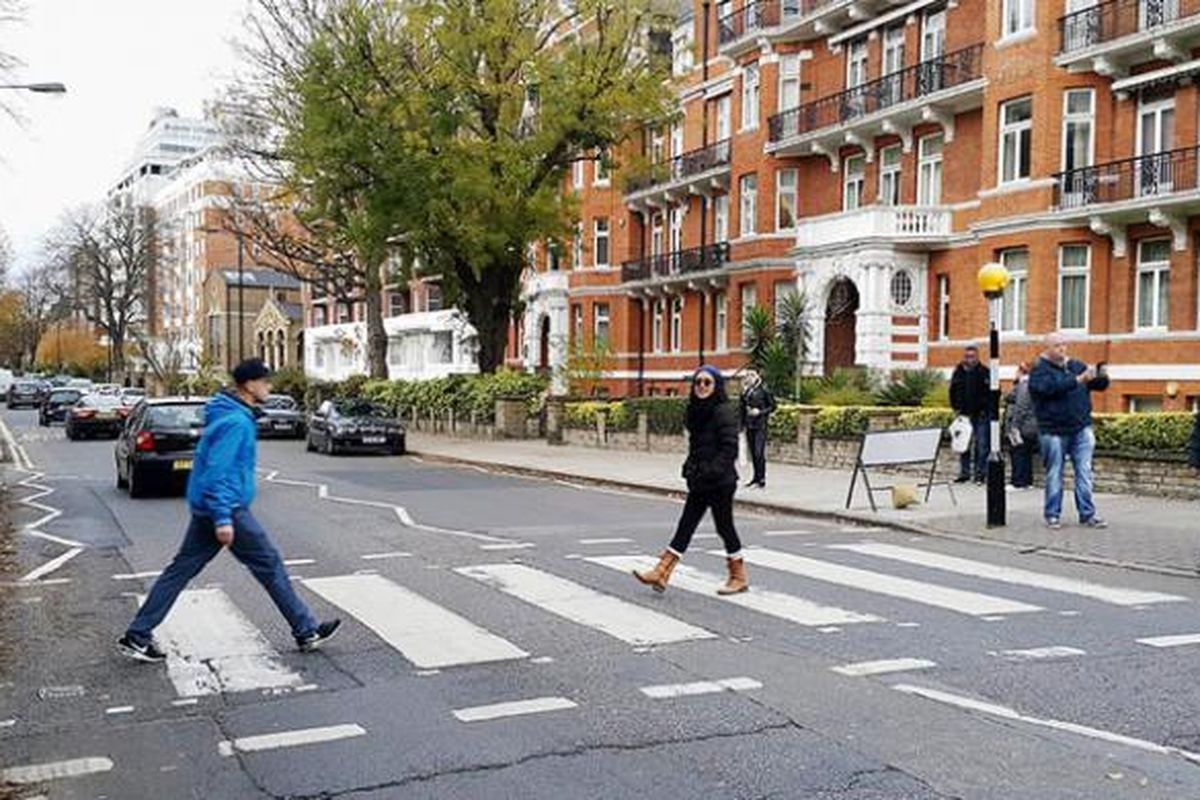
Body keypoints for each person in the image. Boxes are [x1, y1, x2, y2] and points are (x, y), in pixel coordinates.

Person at [117, 359, 341, 663]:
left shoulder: (229, 414)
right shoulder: (236, 422)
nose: (269, 387)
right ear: (249, 386)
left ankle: (138, 635)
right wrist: (223, 517)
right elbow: (217, 473)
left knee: (180, 570)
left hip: (210, 507)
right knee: (269, 563)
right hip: (227, 508)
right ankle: (305, 629)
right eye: (265, 382)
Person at [633, 365, 748, 595]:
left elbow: (729, 449)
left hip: (720, 481)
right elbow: (697, 447)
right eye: (698, 383)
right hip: (701, 480)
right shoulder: (696, 411)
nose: (702, 387)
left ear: (716, 386)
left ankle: (738, 576)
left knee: (724, 527)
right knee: (686, 524)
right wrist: (690, 468)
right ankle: (662, 572)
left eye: (707, 383)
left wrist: (711, 471)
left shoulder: (723, 411)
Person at [1028, 333, 1109, 530]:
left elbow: (1095, 385)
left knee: (1085, 472)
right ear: (1047, 348)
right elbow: (1048, 389)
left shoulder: (1075, 365)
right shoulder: (1039, 370)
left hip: (1080, 427)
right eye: (1057, 345)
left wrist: (1101, 377)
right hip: (1053, 430)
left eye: (1064, 344)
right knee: (1055, 472)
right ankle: (1053, 515)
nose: (1062, 349)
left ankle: (1087, 514)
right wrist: (1078, 380)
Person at [949, 344, 990, 484]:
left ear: (977, 356)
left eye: (972, 356)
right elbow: (952, 391)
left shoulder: (984, 372)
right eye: (967, 356)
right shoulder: (959, 372)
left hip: (981, 415)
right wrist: (955, 408)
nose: (969, 359)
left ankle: (980, 474)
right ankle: (964, 473)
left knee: (981, 445)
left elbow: (992, 393)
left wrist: (986, 409)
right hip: (963, 414)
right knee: (963, 444)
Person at [1004, 362, 1039, 490]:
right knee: (1026, 453)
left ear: (1021, 371)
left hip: (1023, 426)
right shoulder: (1034, 385)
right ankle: (1027, 481)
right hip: (1032, 425)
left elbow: (1021, 408)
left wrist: (1014, 427)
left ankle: (1017, 482)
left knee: (1018, 453)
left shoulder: (1024, 386)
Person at [740, 368, 776, 489]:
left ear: (756, 377)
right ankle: (755, 478)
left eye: (751, 375)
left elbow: (773, 406)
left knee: (758, 452)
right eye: (747, 376)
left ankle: (761, 479)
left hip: (760, 425)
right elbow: (741, 409)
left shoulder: (764, 389)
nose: (749, 377)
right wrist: (741, 425)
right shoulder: (746, 390)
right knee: (753, 454)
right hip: (750, 425)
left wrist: (760, 412)